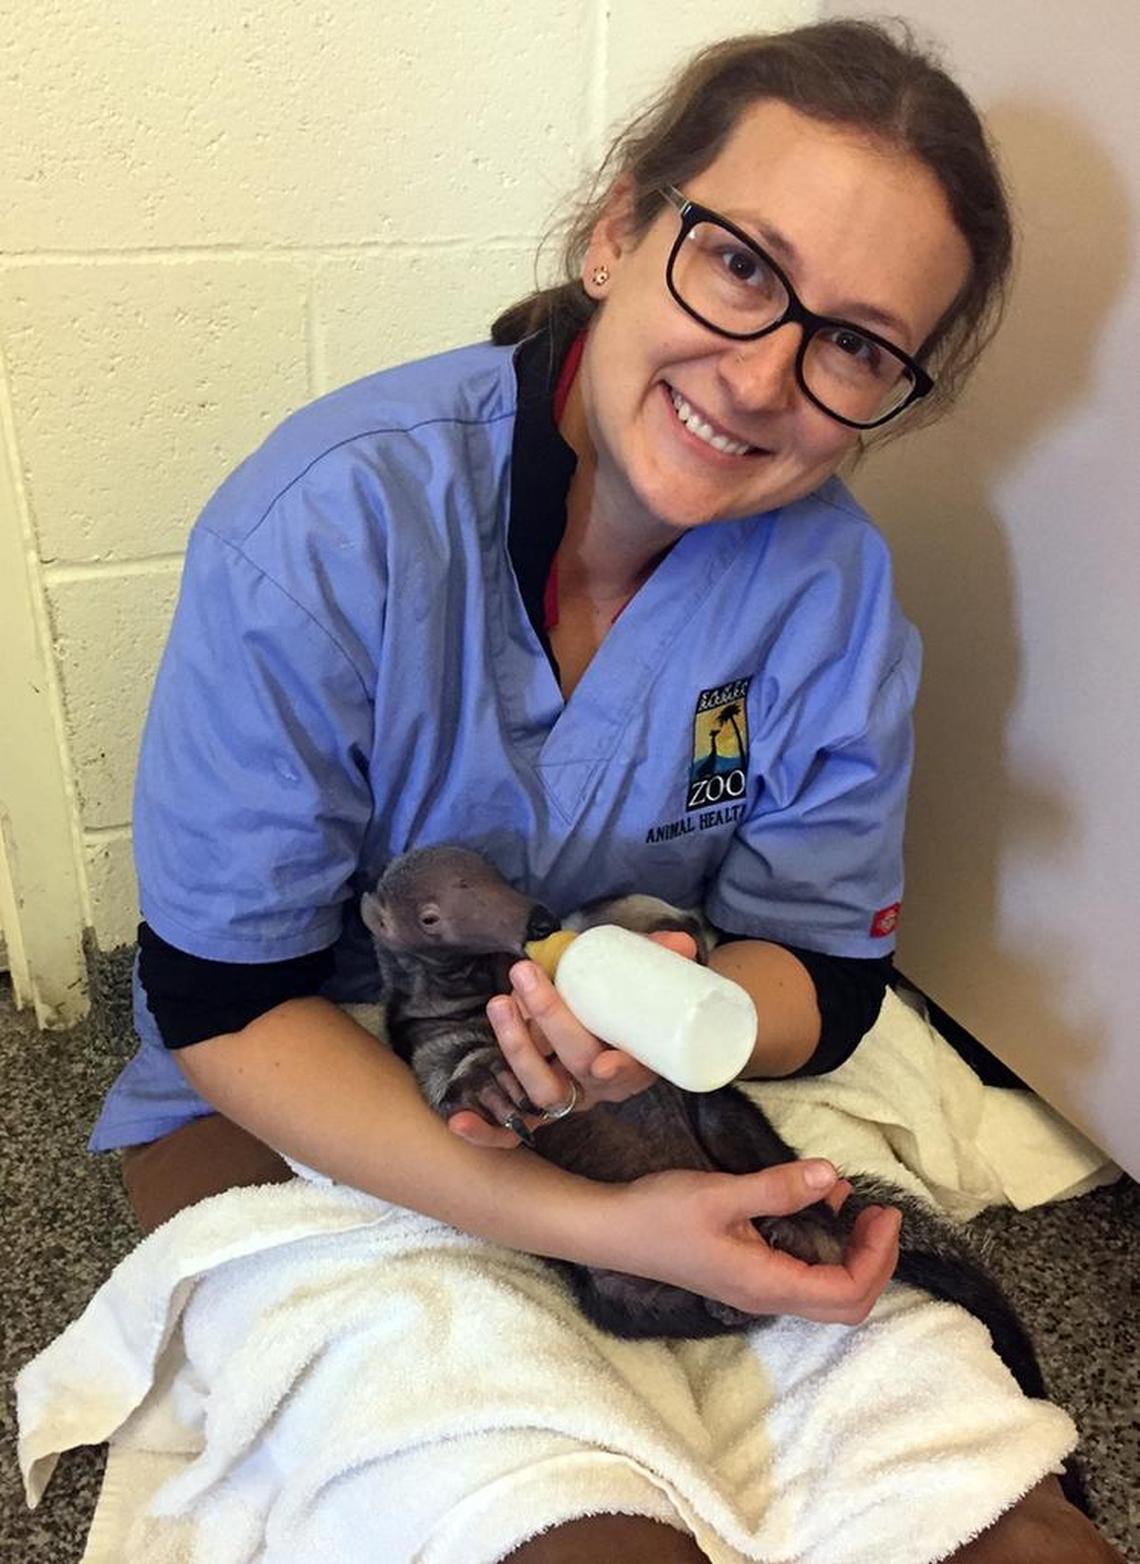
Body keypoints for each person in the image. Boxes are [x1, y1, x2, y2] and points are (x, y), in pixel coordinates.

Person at [89, 19, 1121, 1563]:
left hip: (637, 1092)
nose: (761, 378)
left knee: (986, 1508)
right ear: (620, 231)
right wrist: (592, 1223)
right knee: (556, 1519)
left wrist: (691, 1005)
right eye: (741, 266)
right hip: (301, 1078)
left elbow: (825, 971)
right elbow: (221, 1001)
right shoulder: (331, 524)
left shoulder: (828, 594)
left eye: (854, 344)